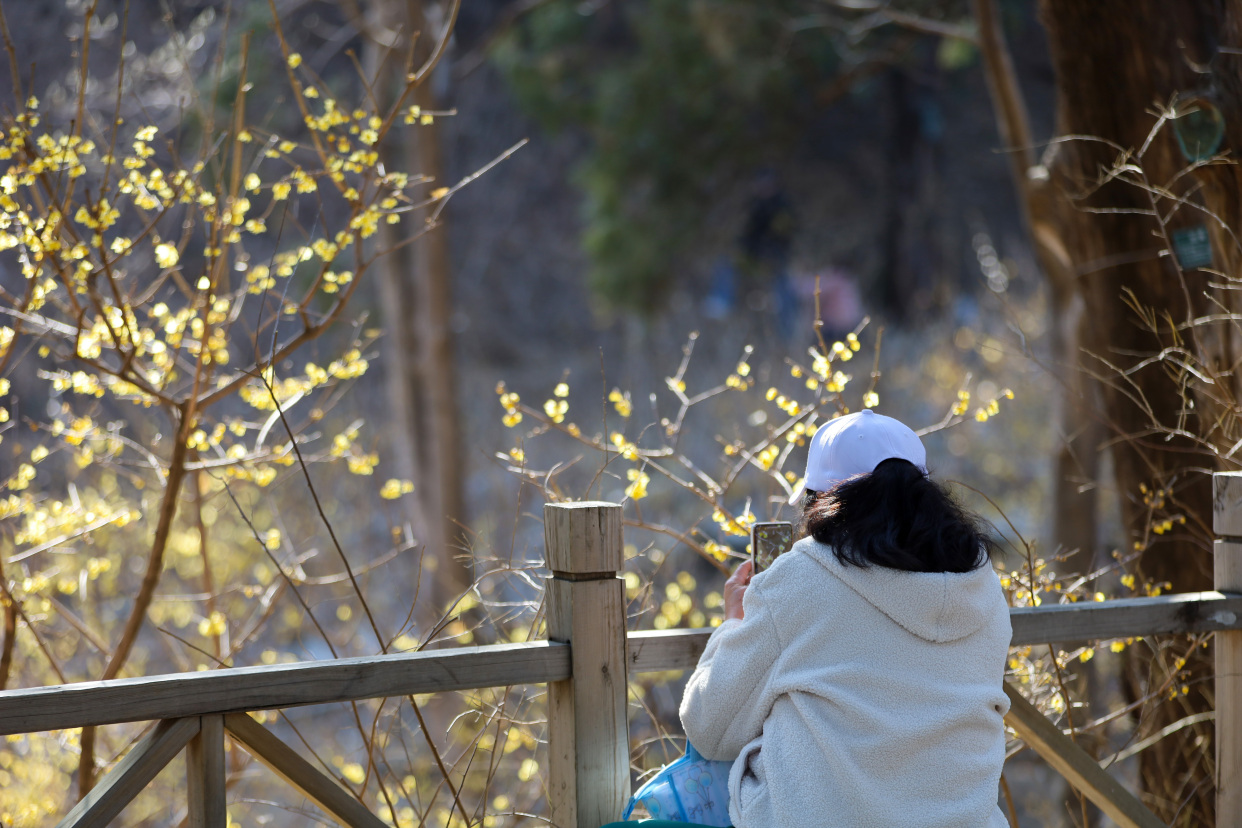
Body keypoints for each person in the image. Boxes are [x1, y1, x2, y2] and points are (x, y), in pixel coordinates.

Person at [678, 409, 1011, 828]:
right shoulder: (982, 586)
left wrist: (734, 624)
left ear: (820, 499)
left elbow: (710, 727)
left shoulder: (801, 579)